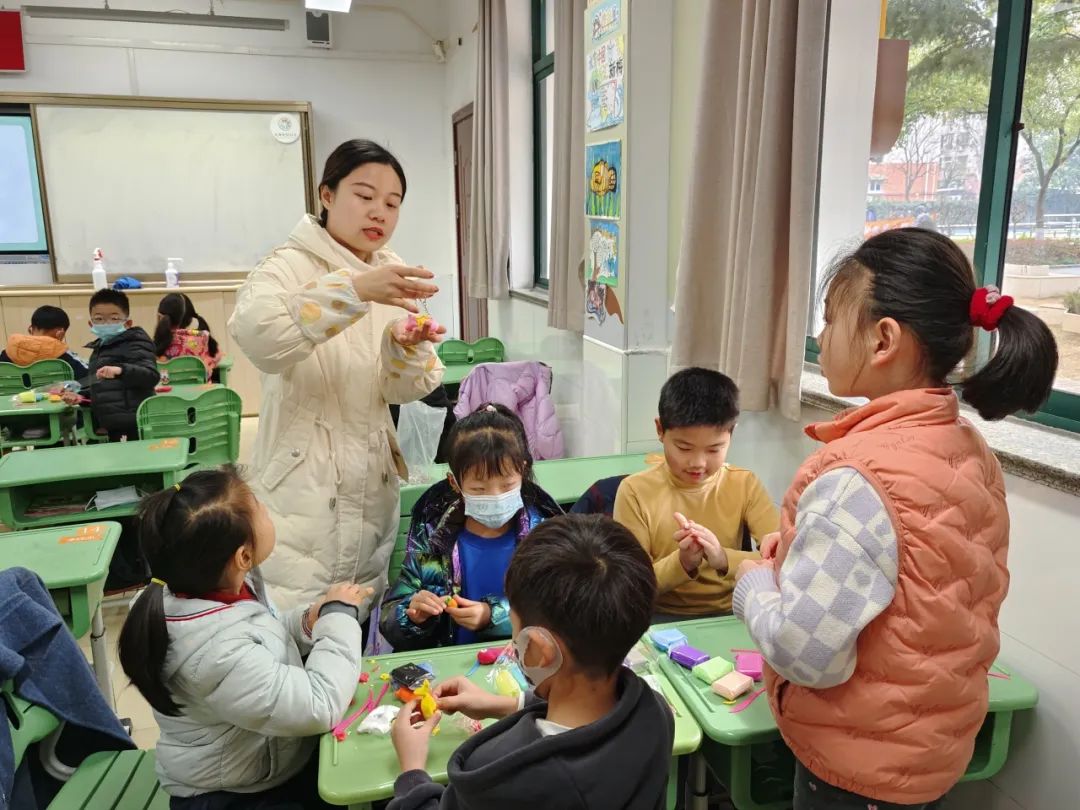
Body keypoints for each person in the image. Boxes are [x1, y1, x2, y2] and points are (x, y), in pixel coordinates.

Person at [733, 228, 1059, 809]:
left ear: (884, 339)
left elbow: (806, 655)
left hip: (854, 770)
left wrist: (754, 586)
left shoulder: (858, 478)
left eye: (832, 318)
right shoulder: (965, 449)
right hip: (926, 749)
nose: (821, 334)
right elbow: (916, 579)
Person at [228, 139, 446, 613]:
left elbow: (408, 387)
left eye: (392, 203)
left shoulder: (393, 272)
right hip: (300, 480)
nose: (379, 213)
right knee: (298, 615)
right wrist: (356, 289)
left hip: (370, 472)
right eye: (364, 196)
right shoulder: (286, 264)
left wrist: (404, 348)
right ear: (326, 195)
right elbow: (261, 339)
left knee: (360, 615)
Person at [117, 467, 370, 808]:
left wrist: (309, 621)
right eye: (260, 509)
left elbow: (266, 636)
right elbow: (319, 705)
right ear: (243, 556)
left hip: (262, 763)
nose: (267, 512)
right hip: (235, 795)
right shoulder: (216, 653)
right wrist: (341, 615)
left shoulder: (217, 587)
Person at [387, 514, 674, 810]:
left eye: (513, 625)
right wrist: (502, 704)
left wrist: (412, 774)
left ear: (538, 649)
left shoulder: (499, 777)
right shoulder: (653, 711)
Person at [380, 403, 561, 650]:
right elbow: (393, 614)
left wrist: (493, 616)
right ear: (454, 483)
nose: (495, 496)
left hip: (526, 668)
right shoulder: (436, 537)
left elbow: (560, 609)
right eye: (479, 489)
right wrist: (412, 616)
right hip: (451, 668)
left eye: (507, 485)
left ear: (523, 471)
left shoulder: (543, 536)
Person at [614, 368, 779, 621]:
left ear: (731, 434)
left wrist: (723, 558)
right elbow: (631, 586)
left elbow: (781, 559)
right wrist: (682, 563)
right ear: (660, 429)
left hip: (734, 612)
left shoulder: (744, 484)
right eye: (684, 447)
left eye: (714, 449)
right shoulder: (635, 492)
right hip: (658, 615)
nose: (698, 463)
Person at [62, 289, 159, 442]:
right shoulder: (100, 347)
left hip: (133, 421)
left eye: (114, 318)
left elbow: (150, 375)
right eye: (99, 319)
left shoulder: (135, 342)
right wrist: (81, 397)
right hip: (114, 422)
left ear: (128, 323)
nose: (106, 324)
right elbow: (104, 387)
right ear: (91, 323)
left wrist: (120, 370)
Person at [1, 304, 88, 377]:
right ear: (60, 332)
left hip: (14, 397)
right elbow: (87, 375)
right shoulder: (62, 354)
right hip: (52, 397)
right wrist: (59, 343)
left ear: (31, 328)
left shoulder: (10, 350)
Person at [154, 292, 222, 378]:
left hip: (170, 391)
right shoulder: (202, 338)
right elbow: (217, 356)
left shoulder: (155, 346)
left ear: (160, 317)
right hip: (201, 390)